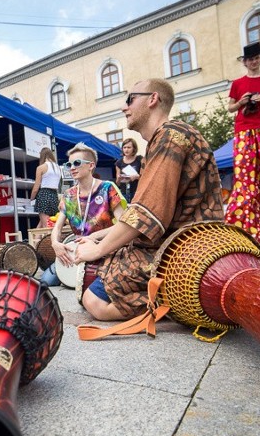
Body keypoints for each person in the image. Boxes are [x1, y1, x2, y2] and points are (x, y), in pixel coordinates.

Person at [73, 79, 224, 321]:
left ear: (152, 99)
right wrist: (96, 236)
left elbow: (147, 213)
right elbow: (147, 210)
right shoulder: (166, 137)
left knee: (95, 302)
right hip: (178, 243)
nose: (125, 107)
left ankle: (179, 299)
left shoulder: (171, 136)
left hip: (182, 253)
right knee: (104, 262)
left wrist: (99, 249)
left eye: (130, 99)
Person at [41, 143, 126, 285]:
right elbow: (57, 227)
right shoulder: (68, 195)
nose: (72, 167)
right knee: (46, 281)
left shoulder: (107, 188)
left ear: (91, 165)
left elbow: (125, 223)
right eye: (69, 164)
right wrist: (55, 243)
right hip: (78, 248)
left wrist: (94, 236)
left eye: (77, 163)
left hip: (103, 246)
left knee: (94, 282)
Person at [224, 41, 260, 249]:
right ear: (245, 62)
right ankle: (242, 228)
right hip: (243, 130)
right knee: (244, 181)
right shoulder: (238, 83)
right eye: (250, 59)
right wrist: (241, 102)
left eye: (256, 58)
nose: (254, 62)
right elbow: (230, 108)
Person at [30, 147, 62, 227]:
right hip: (54, 196)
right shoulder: (58, 168)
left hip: (44, 195)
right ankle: (35, 239)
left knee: (46, 226)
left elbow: (36, 187)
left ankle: (44, 239)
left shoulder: (41, 167)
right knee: (46, 223)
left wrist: (31, 199)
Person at [114, 137, 143, 203]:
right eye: (124, 147)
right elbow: (117, 184)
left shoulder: (140, 159)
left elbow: (147, 176)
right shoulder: (119, 162)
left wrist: (136, 177)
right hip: (124, 193)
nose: (126, 150)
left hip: (138, 192)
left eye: (129, 147)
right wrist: (119, 178)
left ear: (134, 148)